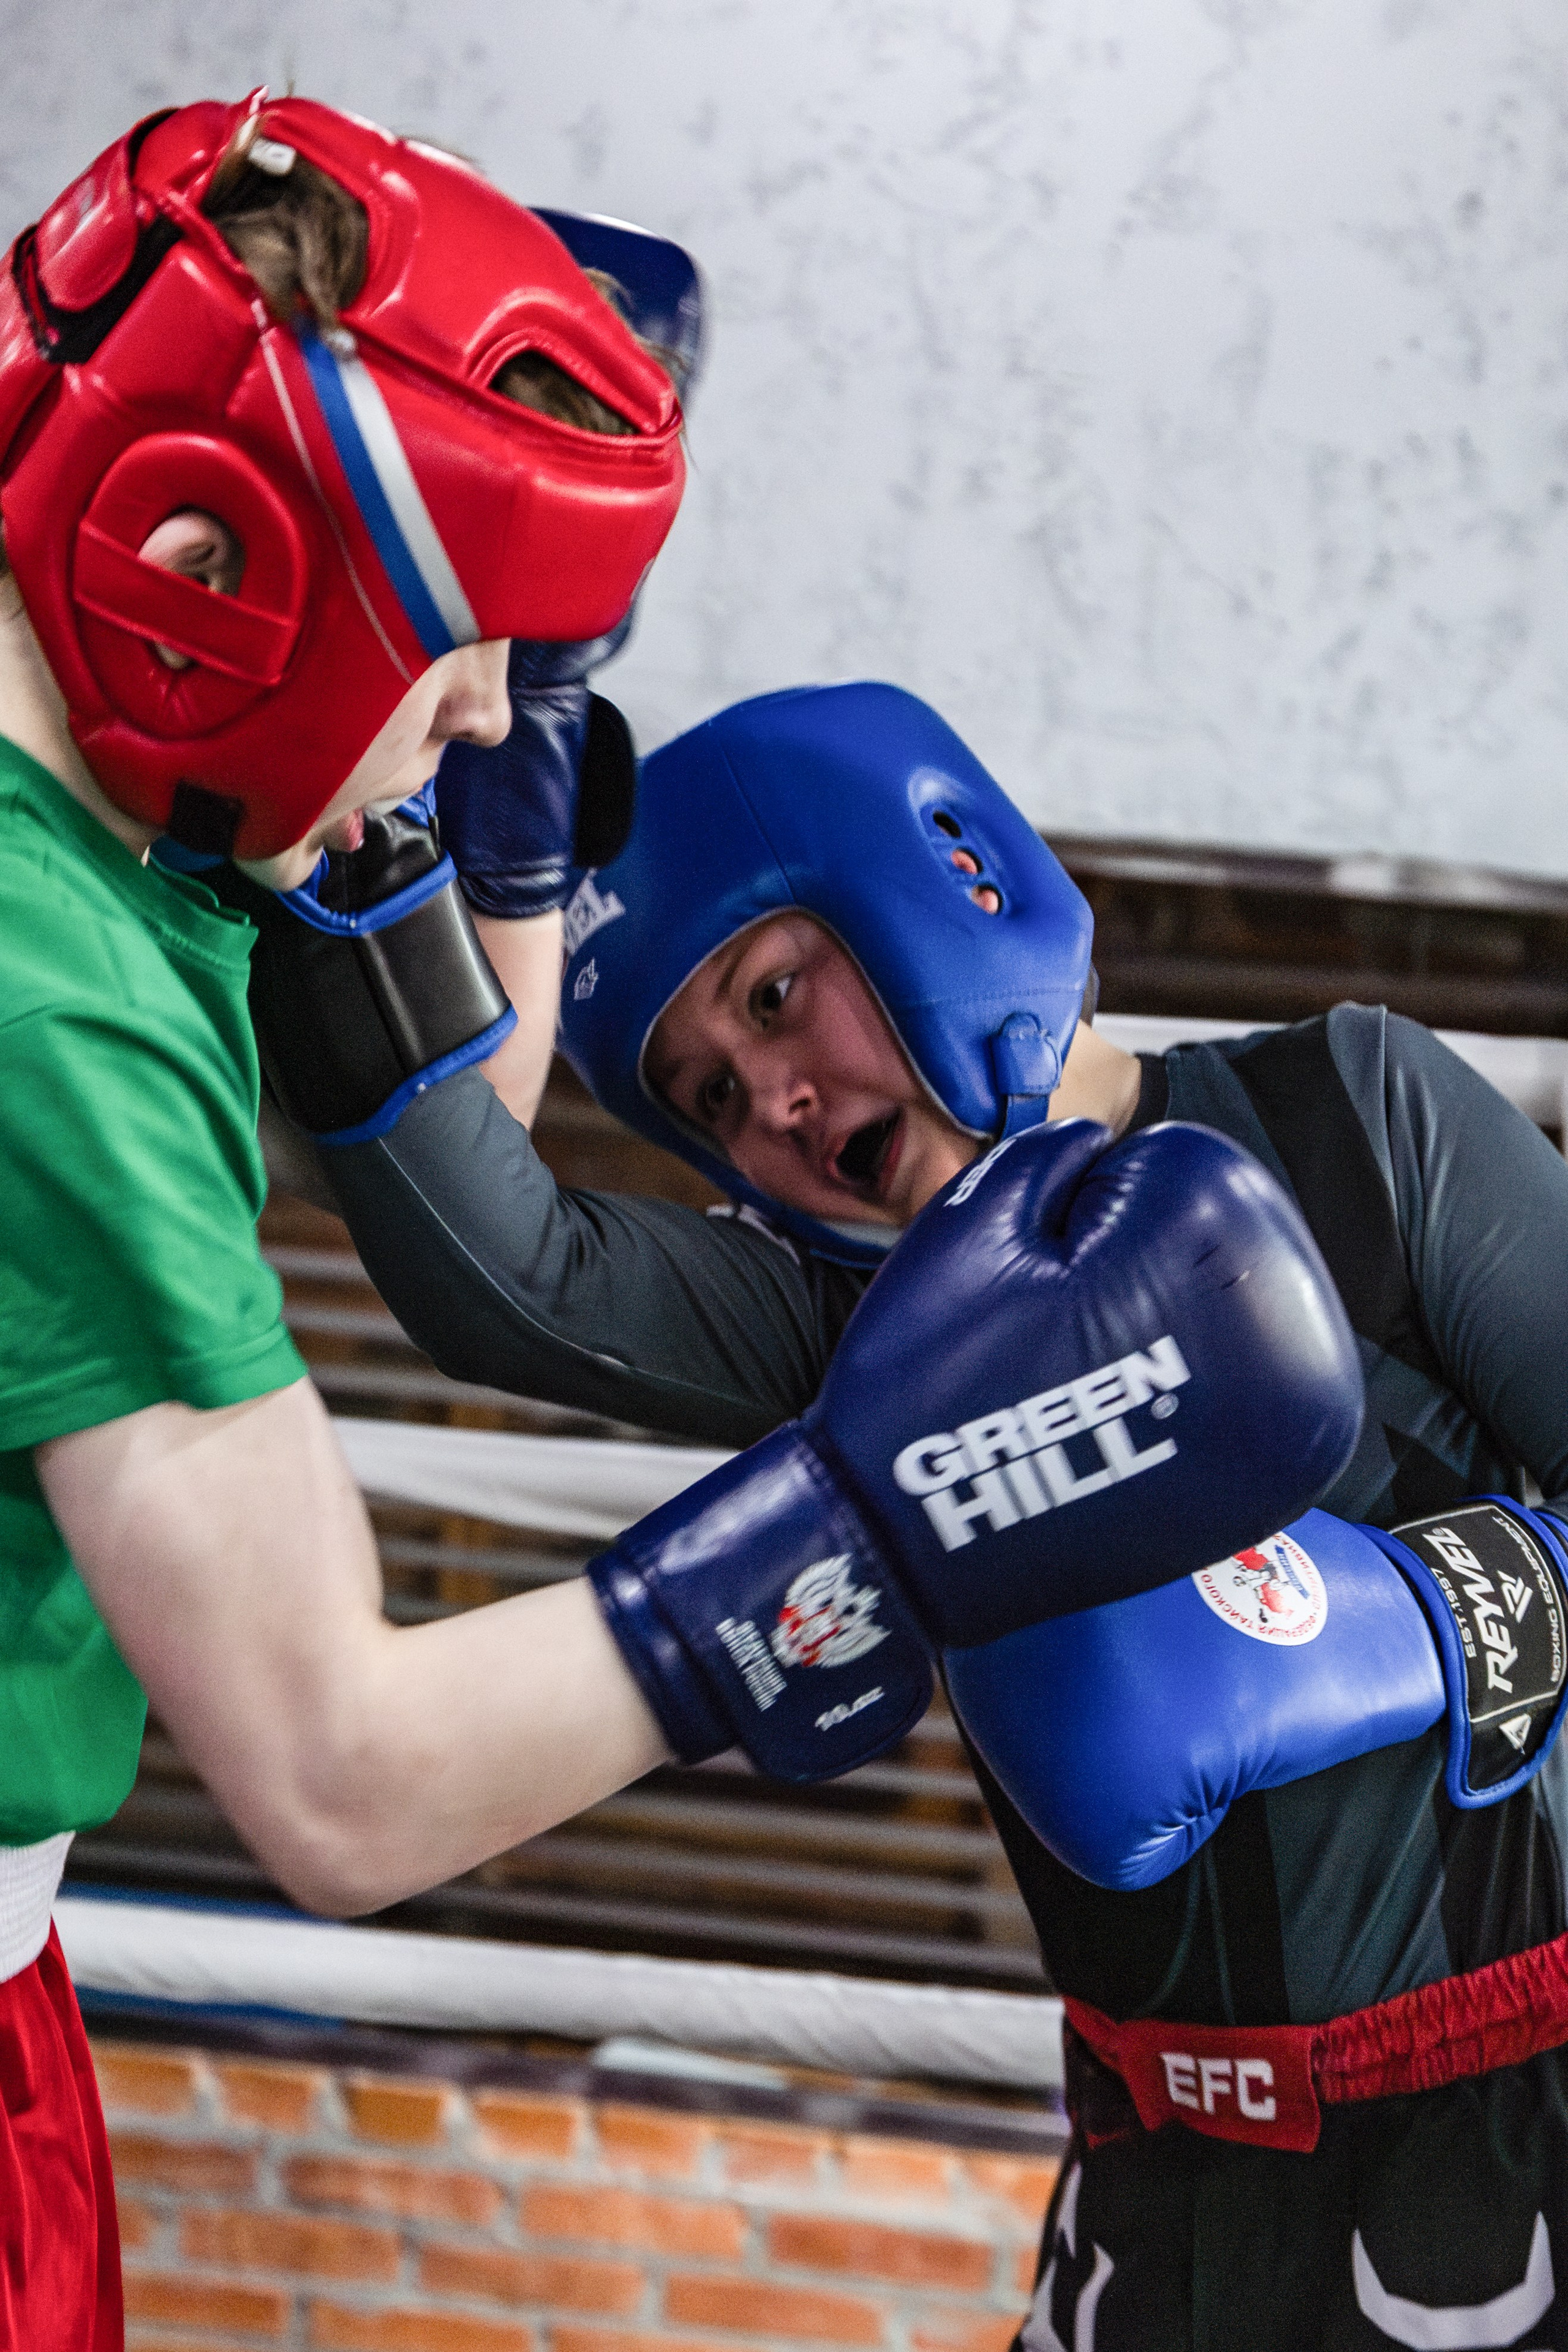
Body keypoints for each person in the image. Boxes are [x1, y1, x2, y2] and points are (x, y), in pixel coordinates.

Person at [0, 103, 1344, 2343]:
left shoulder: (135, 808)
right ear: (218, 557)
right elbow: (338, 1778)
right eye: (445, 663)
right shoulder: (56, 1010)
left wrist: (524, 705)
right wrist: (879, 1525)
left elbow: (470, 1103)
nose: (451, 739)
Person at [270, 680, 1568, 2346]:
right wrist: (405, 846)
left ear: (951, 875)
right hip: (1158, 2192)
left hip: (1516, 2127)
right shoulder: (850, 1326)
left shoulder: (1354, 1120)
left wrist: (1417, 1627)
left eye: (775, 993)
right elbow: (508, 1282)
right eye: (712, 1099)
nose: (776, 1100)